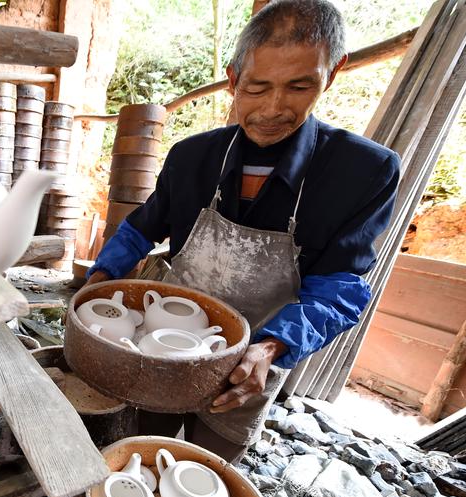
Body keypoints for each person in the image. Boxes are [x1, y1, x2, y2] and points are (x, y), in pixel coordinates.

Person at [86, 0, 400, 463]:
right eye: (256, 87)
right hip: (162, 342)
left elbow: (340, 287)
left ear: (332, 74)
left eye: (299, 86)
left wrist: (271, 347)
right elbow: (142, 227)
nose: (273, 109)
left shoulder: (363, 171)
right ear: (233, 77)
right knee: (140, 450)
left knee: (204, 469)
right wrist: (99, 277)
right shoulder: (192, 157)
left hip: (250, 364)